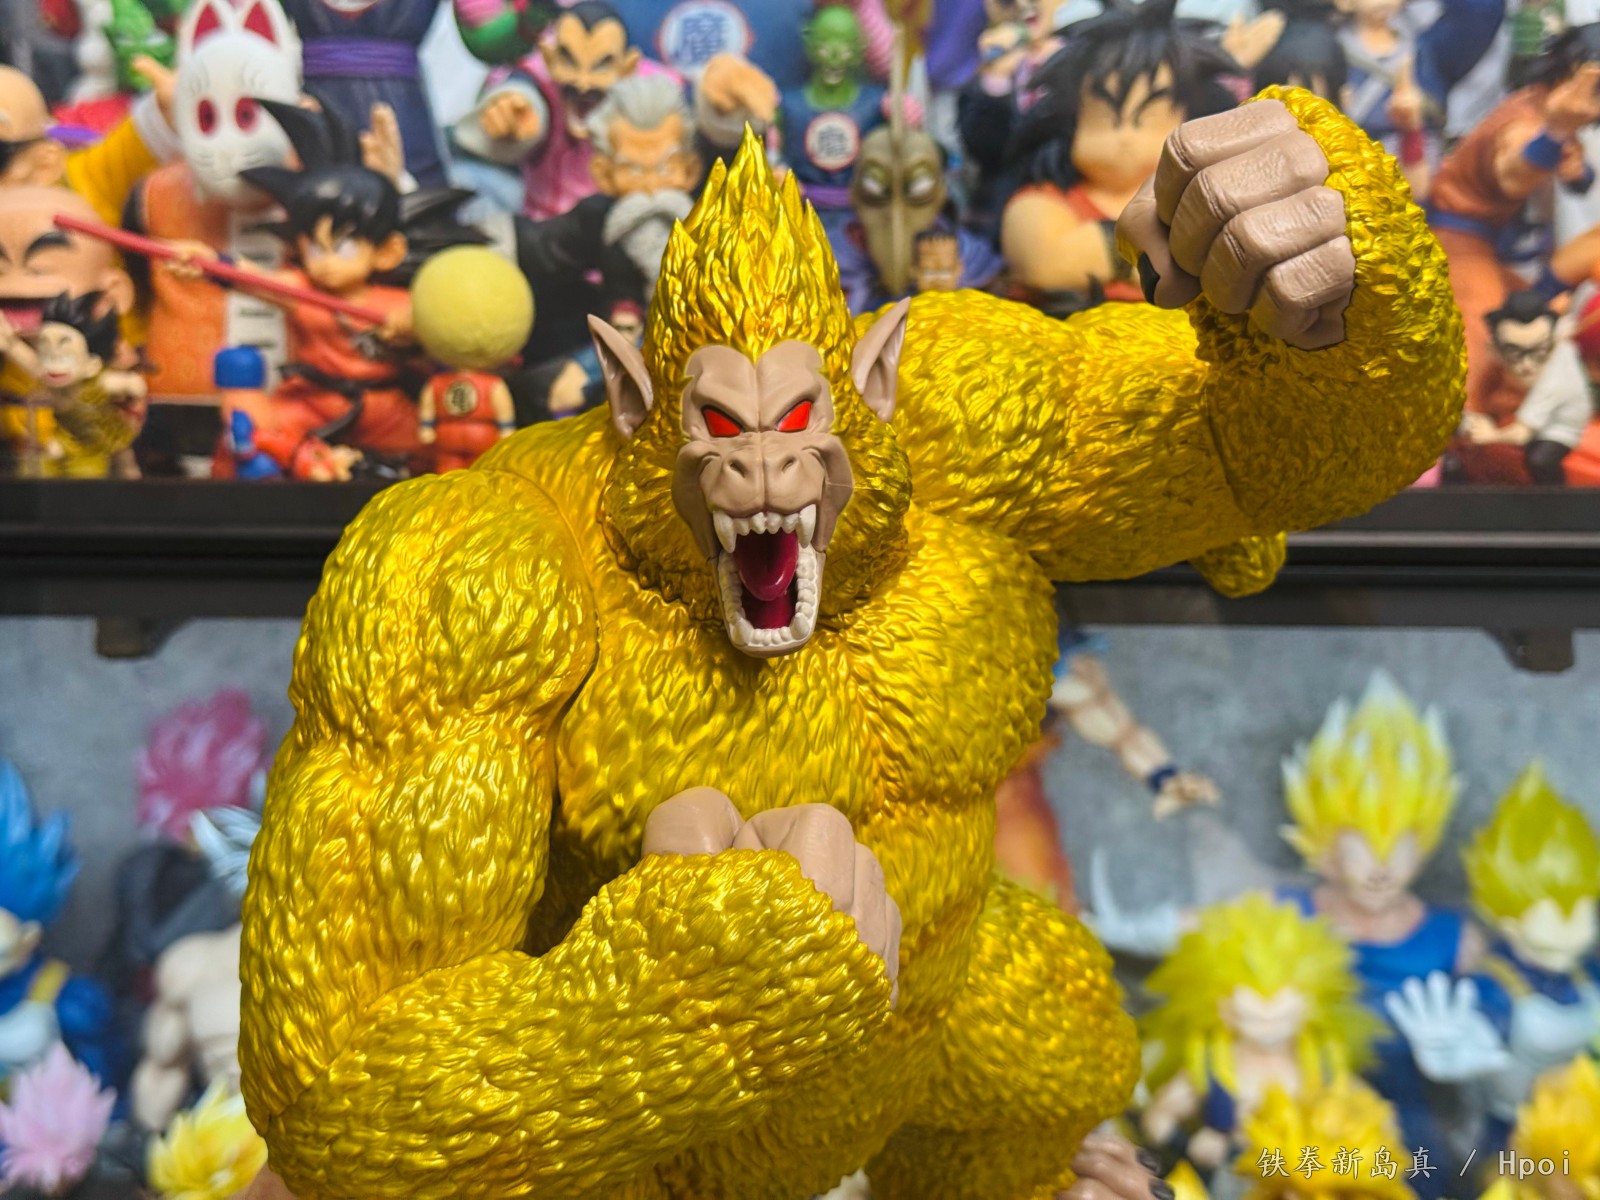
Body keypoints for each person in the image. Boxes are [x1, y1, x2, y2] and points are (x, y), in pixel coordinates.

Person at [163, 101, 483, 468]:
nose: (327, 262)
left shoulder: (398, 301)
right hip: (311, 402)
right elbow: (254, 279)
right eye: (315, 247)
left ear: (386, 252)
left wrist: (414, 329)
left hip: (383, 408)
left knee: (440, 447)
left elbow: (443, 336)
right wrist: (208, 261)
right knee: (253, 435)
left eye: (343, 247)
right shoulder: (302, 290)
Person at [999, 0, 1241, 303]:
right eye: (1106, 118)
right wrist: (1155, 254)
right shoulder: (1041, 202)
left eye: (1149, 117)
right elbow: (1045, 265)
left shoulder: (1206, 205)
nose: (1126, 138)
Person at [1428, 25, 1600, 417]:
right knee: (1487, 331)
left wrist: (1569, 151)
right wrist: (1557, 130)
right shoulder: (1527, 121)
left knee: (1535, 324)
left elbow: (1578, 178)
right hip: (1459, 238)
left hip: (1501, 249)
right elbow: (1512, 174)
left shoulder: (1553, 116)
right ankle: (1461, 428)